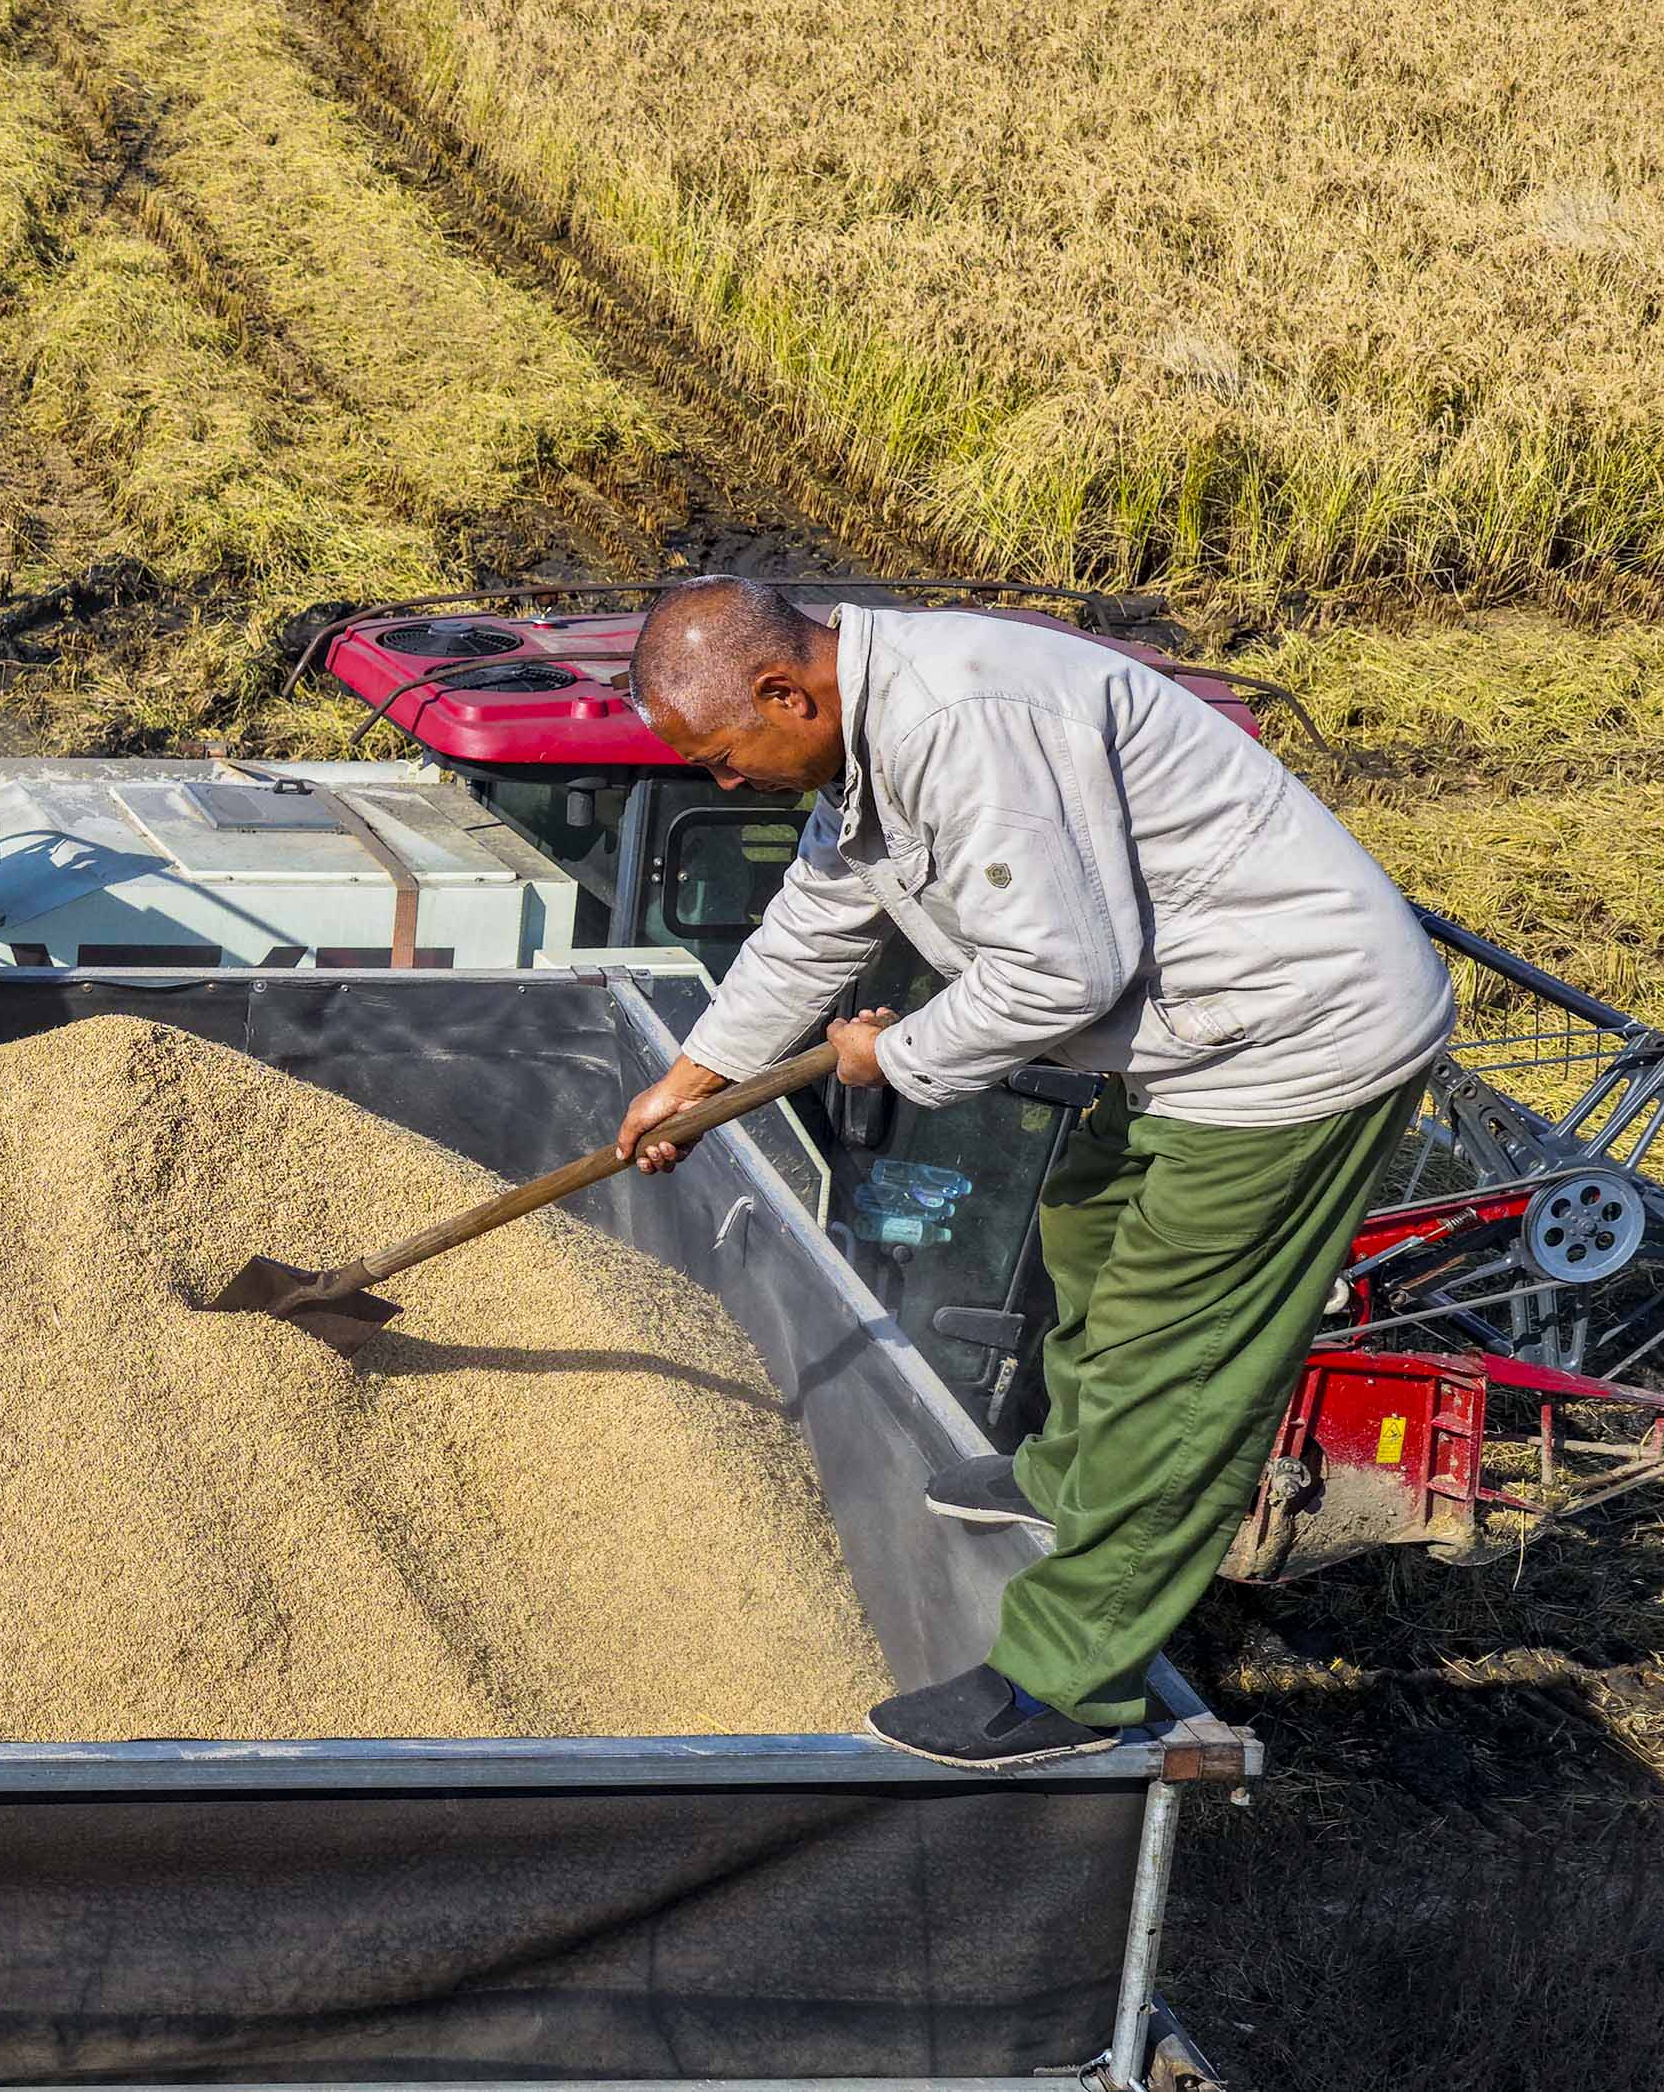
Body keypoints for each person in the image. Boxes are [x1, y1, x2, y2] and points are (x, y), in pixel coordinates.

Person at [605, 577, 1451, 1768]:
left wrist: (887, 1054)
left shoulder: (964, 721)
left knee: (1178, 1362)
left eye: (722, 755)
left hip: (1292, 1035)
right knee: (1086, 1229)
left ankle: (1063, 1679)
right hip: (1187, 1028)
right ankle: (1062, 1469)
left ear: (782, 689)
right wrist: (695, 1073)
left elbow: (1061, 976)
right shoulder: (863, 732)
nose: (721, 783)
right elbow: (819, 915)